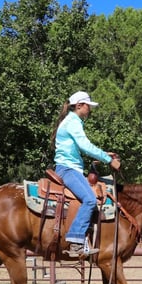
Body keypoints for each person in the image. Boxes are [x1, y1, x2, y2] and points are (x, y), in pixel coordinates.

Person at [51, 90, 121, 256]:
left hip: (69, 167)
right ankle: (75, 241)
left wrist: (103, 154)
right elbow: (85, 146)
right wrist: (108, 160)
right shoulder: (72, 122)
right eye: (88, 106)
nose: (90, 109)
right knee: (90, 199)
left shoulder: (71, 121)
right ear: (80, 105)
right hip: (67, 168)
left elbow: (81, 147)